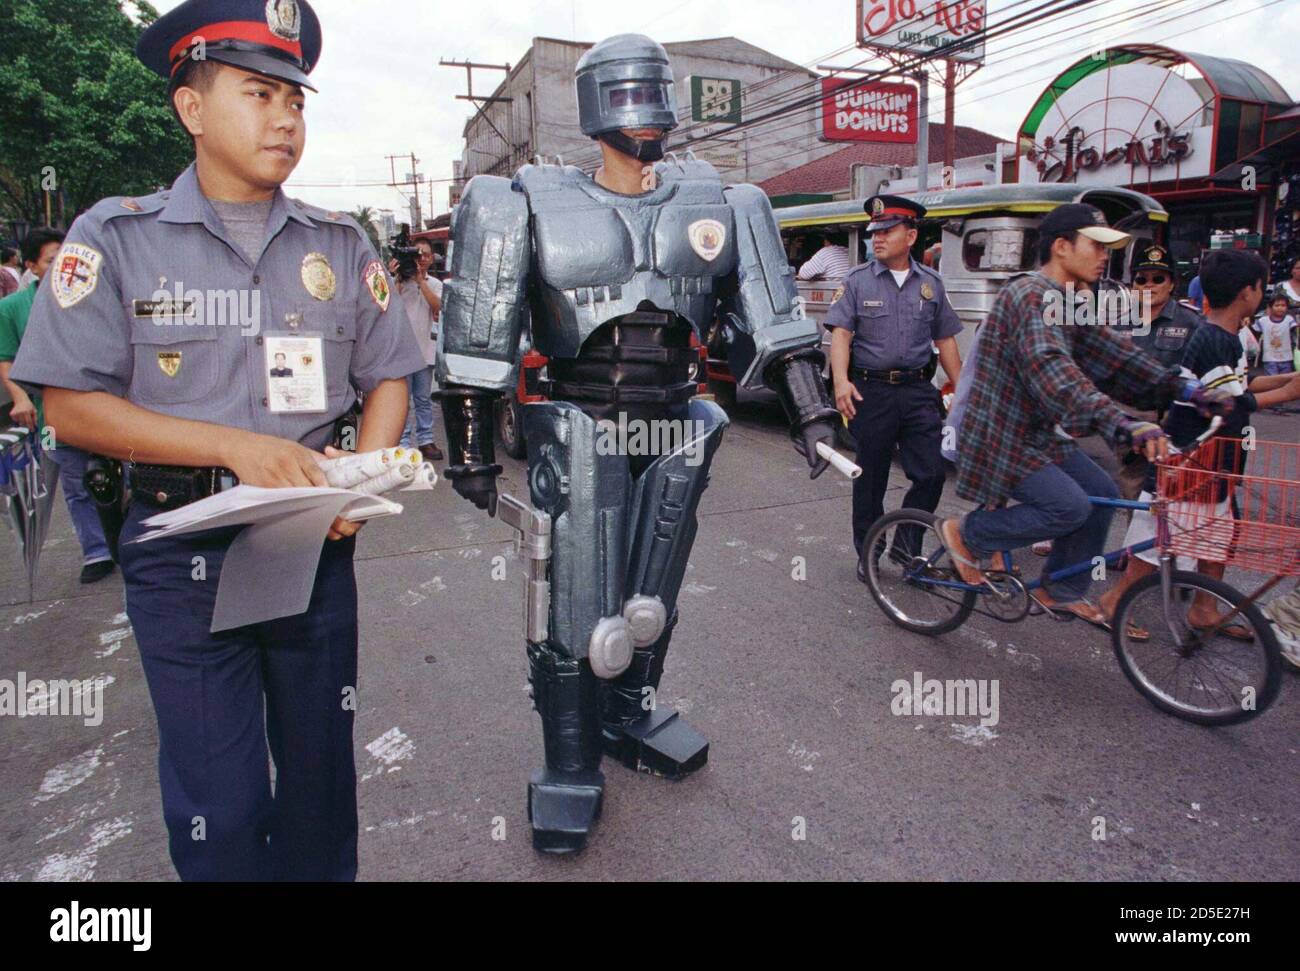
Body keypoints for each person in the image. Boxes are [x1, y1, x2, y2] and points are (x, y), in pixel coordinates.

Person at [11, 0, 425, 882]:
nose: (285, 118)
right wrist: (237, 448)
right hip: (180, 547)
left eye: (297, 101)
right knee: (223, 811)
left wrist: (356, 478)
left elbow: (390, 372)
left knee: (320, 792)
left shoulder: (339, 243)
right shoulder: (115, 236)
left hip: (308, 546)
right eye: (259, 94)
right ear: (191, 107)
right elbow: (69, 407)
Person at [439, 33, 839, 853]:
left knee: (649, 593)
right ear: (596, 107)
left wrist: (815, 414)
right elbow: (479, 332)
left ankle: (624, 712)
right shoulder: (525, 198)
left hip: (674, 423)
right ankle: (570, 758)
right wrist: (471, 451)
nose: (642, 116)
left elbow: (771, 315)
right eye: (625, 97)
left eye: (651, 95)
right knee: (576, 606)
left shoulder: (722, 202)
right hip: (578, 427)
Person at [938, 204, 1231, 630]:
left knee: (1099, 490)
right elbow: (1057, 374)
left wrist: (1182, 388)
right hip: (1000, 435)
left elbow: (1115, 356)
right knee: (1069, 507)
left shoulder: (1069, 300)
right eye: (1095, 245)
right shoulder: (1029, 296)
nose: (1103, 256)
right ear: (1061, 247)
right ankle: (969, 535)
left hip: (1036, 434)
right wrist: (1123, 423)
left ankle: (1059, 591)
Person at [1098, 250, 1300, 635]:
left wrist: (1285, 379)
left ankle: (1204, 607)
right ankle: (1114, 601)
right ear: (1249, 292)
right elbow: (1227, 404)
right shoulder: (1212, 339)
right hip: (1187, 461)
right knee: (1154, 541)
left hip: (1214, 461)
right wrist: (1288, 391)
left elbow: (1239, 384)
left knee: (1217, 536)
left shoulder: (1226, 336)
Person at [826, 195, 962, 582]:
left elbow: (947, 339)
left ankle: (907, 546)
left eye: (887, 231)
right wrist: (840, 381)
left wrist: (963, 392)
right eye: (874, 232)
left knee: (932, 473)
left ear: (912, 235)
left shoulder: (932, 284)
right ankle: (868, 551)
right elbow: (841, 334)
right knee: (870, 479)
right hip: (873, 392)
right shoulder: (857, 281)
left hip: (919, 391)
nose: (878, 239)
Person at [0, 228, 115, 583]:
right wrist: (20, 396)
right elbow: (7, 358)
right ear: (31, 266)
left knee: (117, 476)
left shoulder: (96, 296)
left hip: (108, 410)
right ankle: (96, 551)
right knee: (74, 482)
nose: (63, 265)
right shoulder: (12, 308)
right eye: (52, 261)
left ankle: (126, 537)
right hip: (53, 422)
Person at [1113, 244, 1204, 499]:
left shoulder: (1192, 323)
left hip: (1175, 424)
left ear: (1172, 283)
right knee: (1134, 497)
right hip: (1132, 425)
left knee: (1174, 499)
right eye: (1141, 279)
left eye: (1158, 279)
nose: (1149, 286)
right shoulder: (1118, 324)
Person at [393, 238, 443, 461]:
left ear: (432, 259)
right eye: (417, 254)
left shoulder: (434, 284)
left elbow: (438, 307)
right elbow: (386, 305)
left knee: (423, 399)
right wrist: (395, 277)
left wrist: (421, 281)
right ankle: (403, 443)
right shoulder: (399, 283)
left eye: (426, 255)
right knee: (402, 400)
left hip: (424, 350)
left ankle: (425, 440)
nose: (421, 258)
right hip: (401, 352)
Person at [1250, 292, 1297, 377]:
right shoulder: (1263, 321)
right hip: (1269, 358)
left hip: (1286, 357)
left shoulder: (1289, 320)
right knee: (1272, 379)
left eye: (1283, 305)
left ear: (1287, 307)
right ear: (1270, 307)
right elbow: (1254, 331)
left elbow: (1295, 330)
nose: (1280, 308)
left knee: (1285, 380)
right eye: (1277, 305)